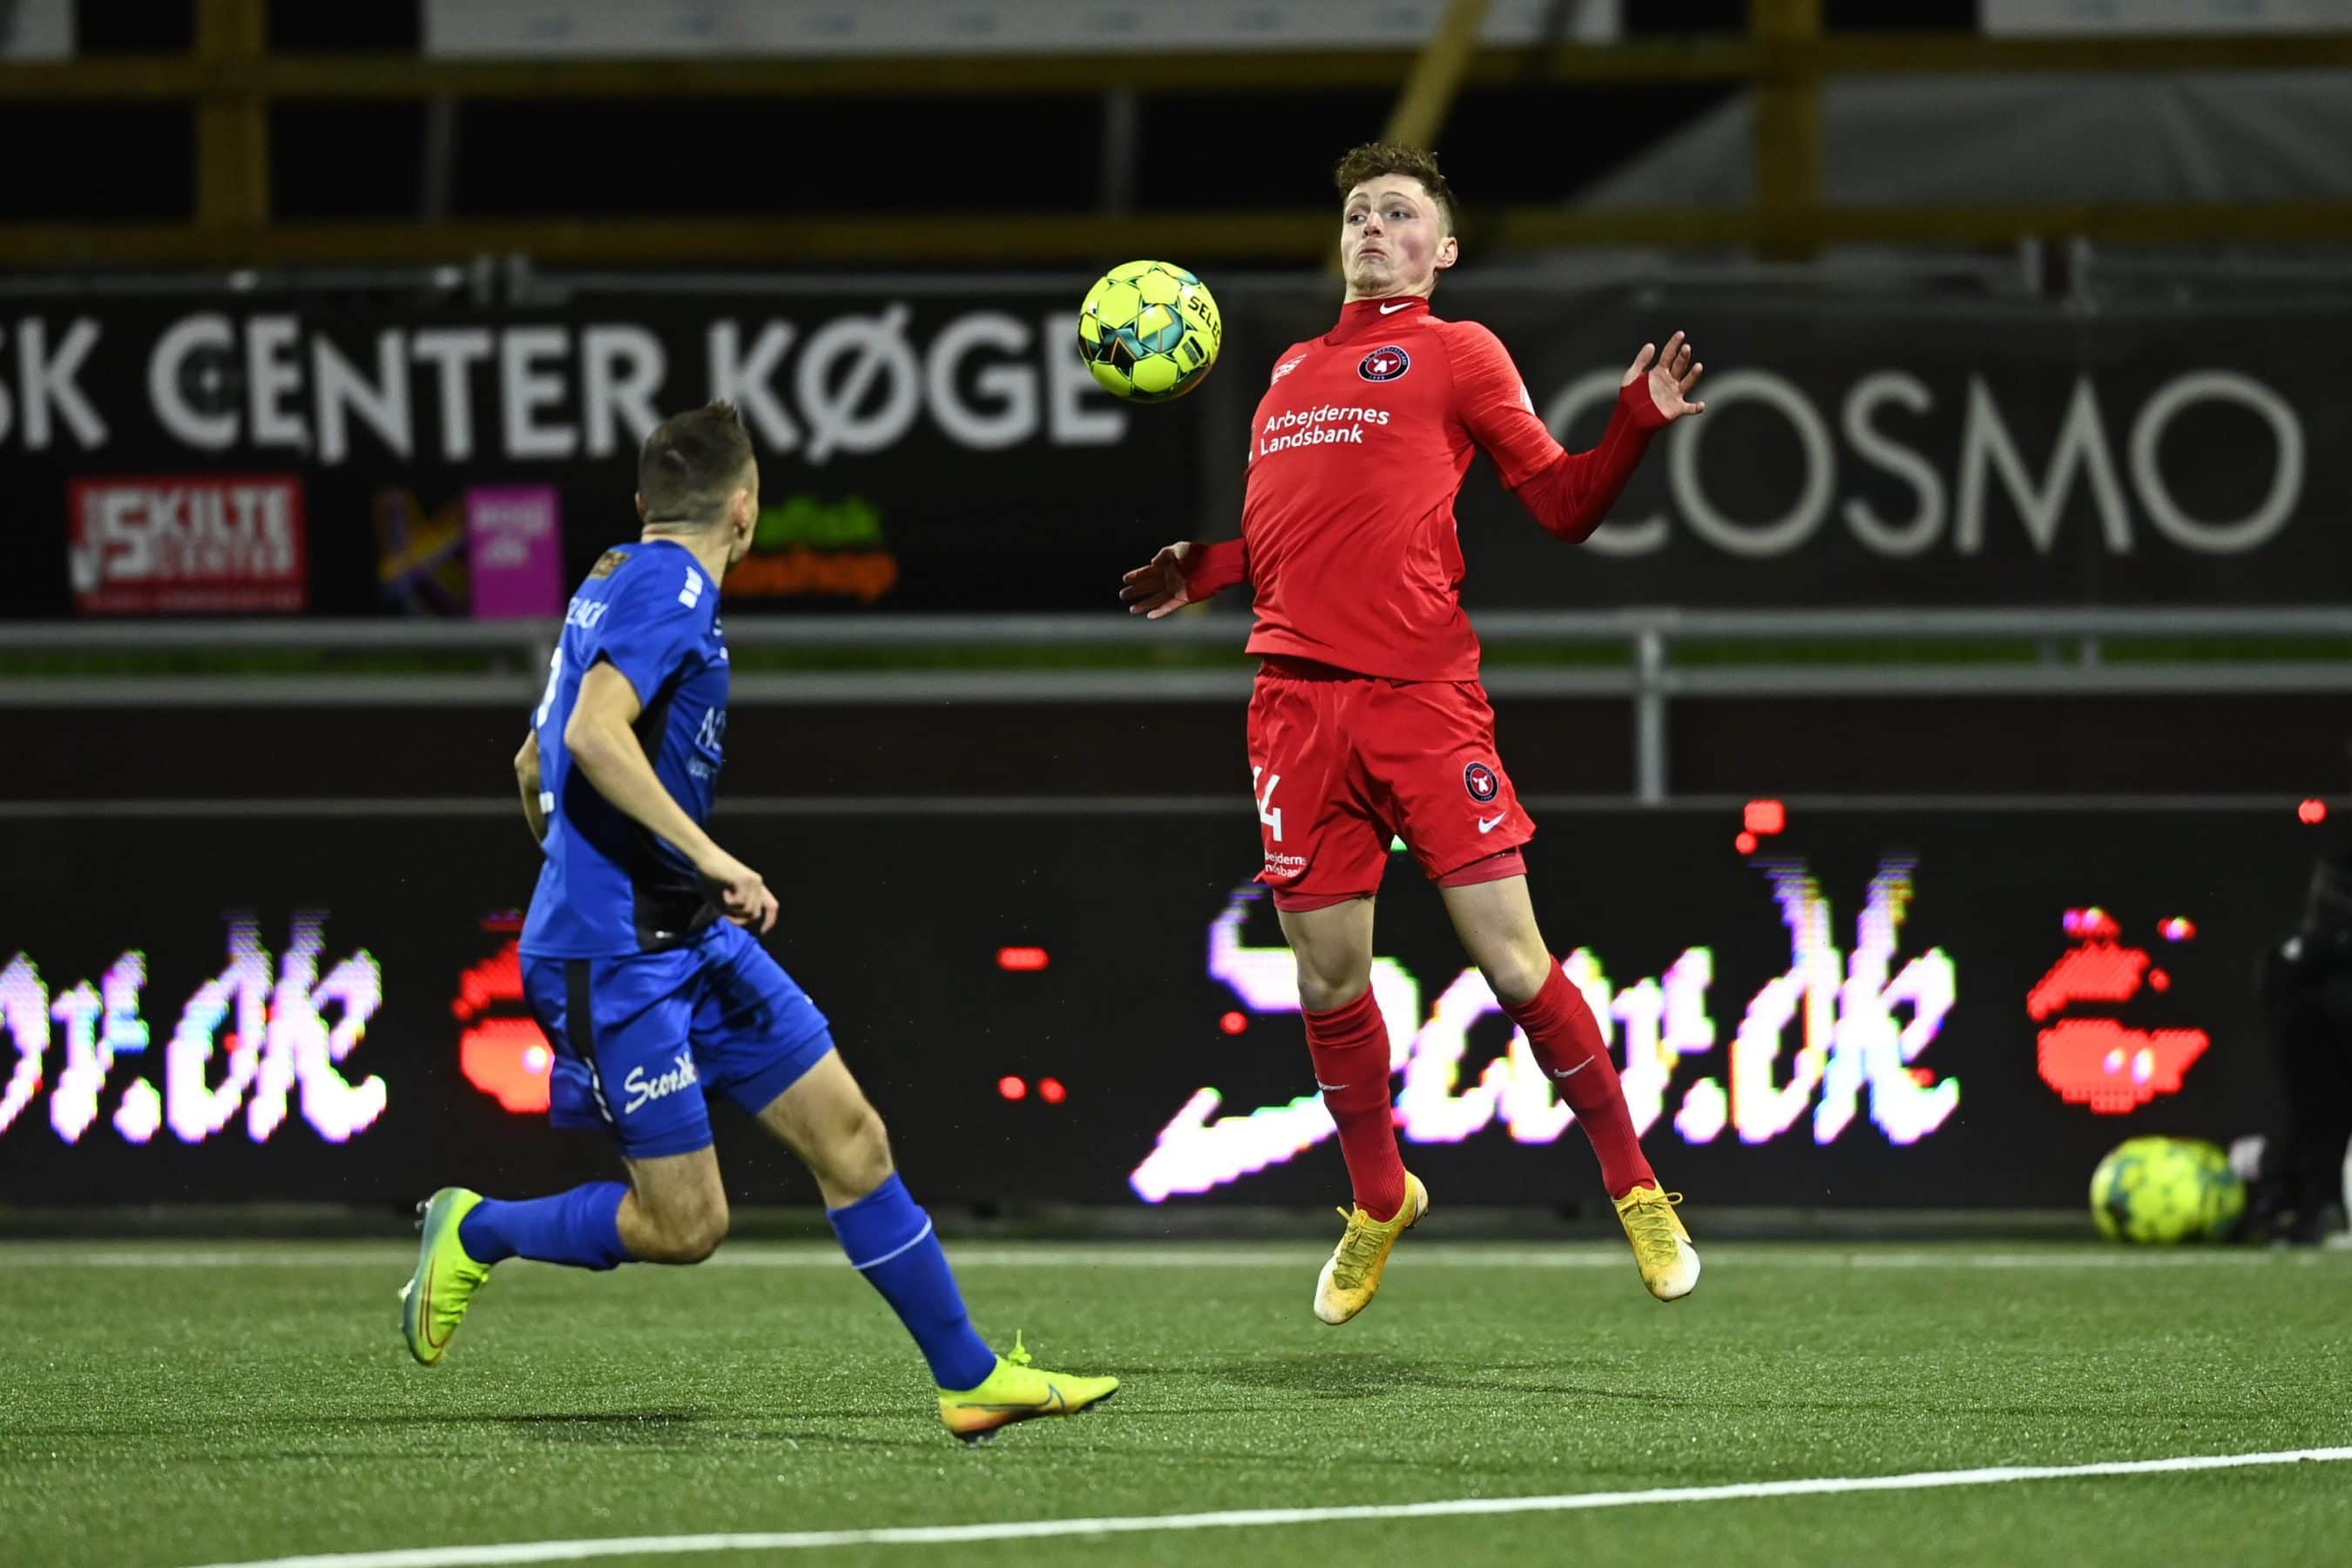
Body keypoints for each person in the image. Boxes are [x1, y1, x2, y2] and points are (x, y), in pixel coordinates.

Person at [401, 402, 1118, 1442]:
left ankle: (969, 1378)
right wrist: (701, 859)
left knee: (852, 1138)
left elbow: (529, 764)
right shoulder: (673, 586)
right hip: (620, 956)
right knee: (686, 1225)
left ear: (644, 502)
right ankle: (477, 1230)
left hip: (681, 936)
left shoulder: (613, 574)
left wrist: (601, 869)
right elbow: (593, 735)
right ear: (745, 509)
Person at [1120, 144, 1707, 1324]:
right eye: (1358, 212)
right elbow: (1298, 545)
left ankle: (1637, 1187)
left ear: (1442, 250)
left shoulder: (1458, 351)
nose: (1372, 227)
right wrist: (1212, 567)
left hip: (1421, 702)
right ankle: (1380, 1197)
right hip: (1294, 709)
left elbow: (1563, 506)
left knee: (1513, 962)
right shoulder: (1288, 371)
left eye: (1398, 213)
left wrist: (1634, 426)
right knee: (1327, 977)